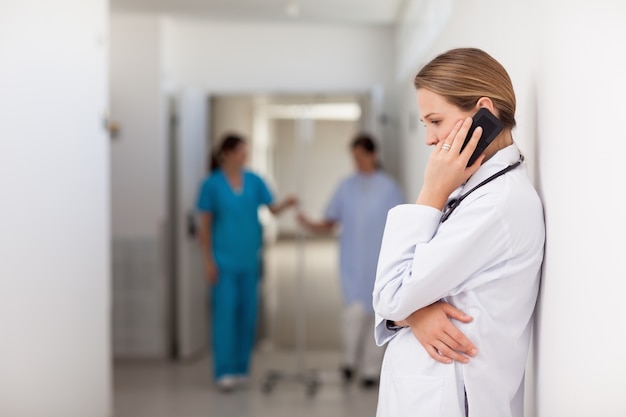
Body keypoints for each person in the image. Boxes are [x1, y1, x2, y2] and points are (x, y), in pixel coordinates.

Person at [372, 48, 545, 417]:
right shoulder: (477, 190)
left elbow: (389, 293)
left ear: (484, 111)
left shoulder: (496, 205)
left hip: (452, 399)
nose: (429, 139)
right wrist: (411, 313)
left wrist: (430, 193)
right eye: (425, 125)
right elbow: (396, 299)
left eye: (435, 121)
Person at [297, 133, 405, 388]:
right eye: (354, 157)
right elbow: (331, 220)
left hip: (381, 261)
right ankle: (348, 363)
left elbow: (401, 225)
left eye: (360, 156)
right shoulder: (346, 186)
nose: (357, 161)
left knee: (379, 315)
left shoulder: (389, 187)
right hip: (353, 260)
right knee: (353, 313)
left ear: (373, 155)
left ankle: (370, 370)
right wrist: (309, 224)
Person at [196, 133, 297, 392]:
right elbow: (204, 226)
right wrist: (207, 260)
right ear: (227, 154)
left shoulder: (254, 181)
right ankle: (224, 370)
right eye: (241, 151)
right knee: (225, 315)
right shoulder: (212, 184)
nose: (245, 156)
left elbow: (271, 209)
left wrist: (286, 203)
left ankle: (241, 368)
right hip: (223, 262)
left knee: (247, 315)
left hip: (249, 260)